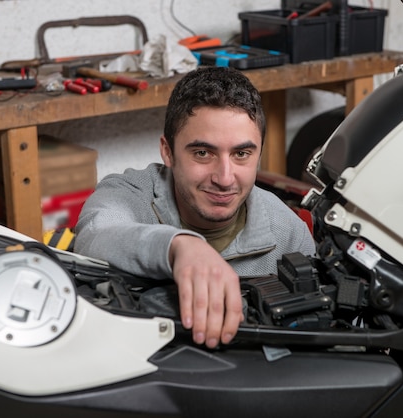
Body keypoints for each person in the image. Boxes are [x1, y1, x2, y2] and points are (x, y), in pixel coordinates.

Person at [74, 66, 315, 349]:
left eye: (241, 154)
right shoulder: (127, 194)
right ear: (168, 151)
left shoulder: (289, 232)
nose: (224, 179)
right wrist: (179, 247)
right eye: (203, 153)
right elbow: (95, 235)